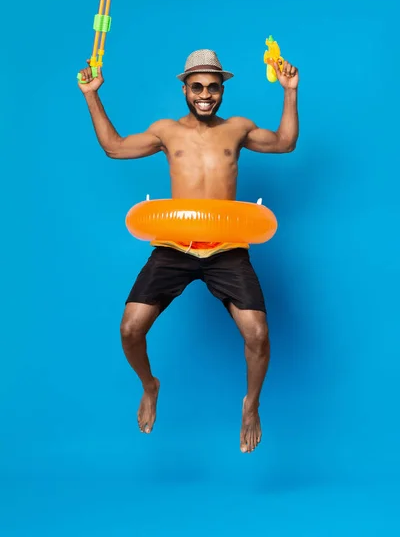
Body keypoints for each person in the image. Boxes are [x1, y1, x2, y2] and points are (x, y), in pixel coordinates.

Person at [78, 49, 299, 453]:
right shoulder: (166, 131)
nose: (205, 95)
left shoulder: (238, 128)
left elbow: (285, 143)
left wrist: (289, 91)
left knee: (259, 335)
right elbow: (114, 147)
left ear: (222, 90)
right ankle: (150, 385)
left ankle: (251, 404)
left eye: (213, 88)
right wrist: (92, 94)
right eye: (197, 87)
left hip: (227, 247)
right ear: (184, 88)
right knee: (130, 329)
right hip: (175, 246)